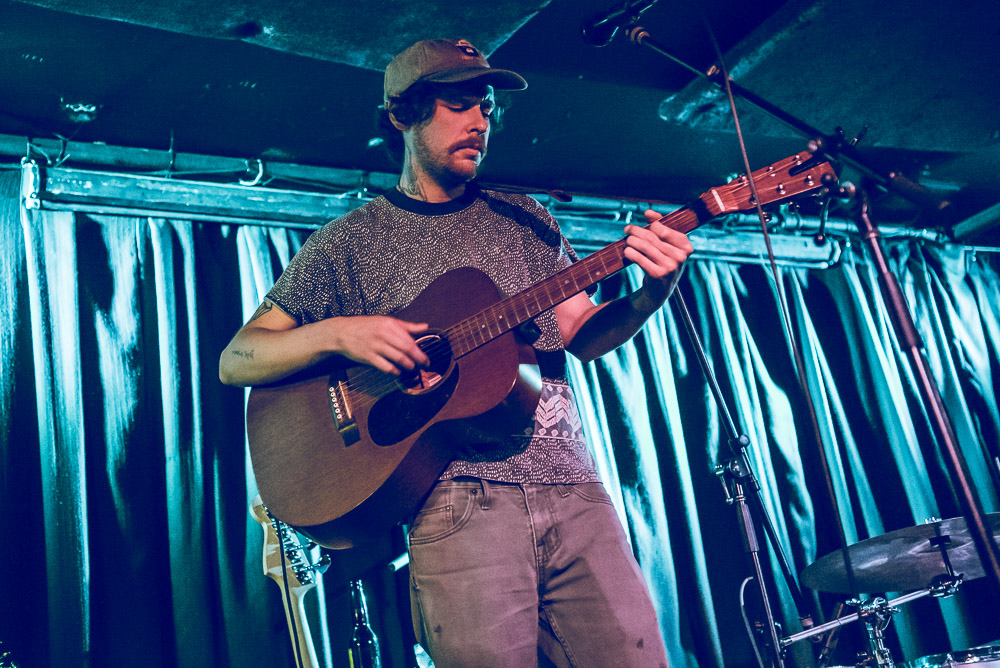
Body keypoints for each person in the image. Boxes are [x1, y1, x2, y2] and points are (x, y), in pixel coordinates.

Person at [220, 38, 693, 667]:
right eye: (459, 104)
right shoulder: (347, 243)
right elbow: (238, 358)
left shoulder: (525, 218)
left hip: (576, 492)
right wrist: (343, 333)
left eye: (487, 107)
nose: (480, 122)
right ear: (403, 114)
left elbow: (582, 332)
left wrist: (651, 296)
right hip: (456, 504)